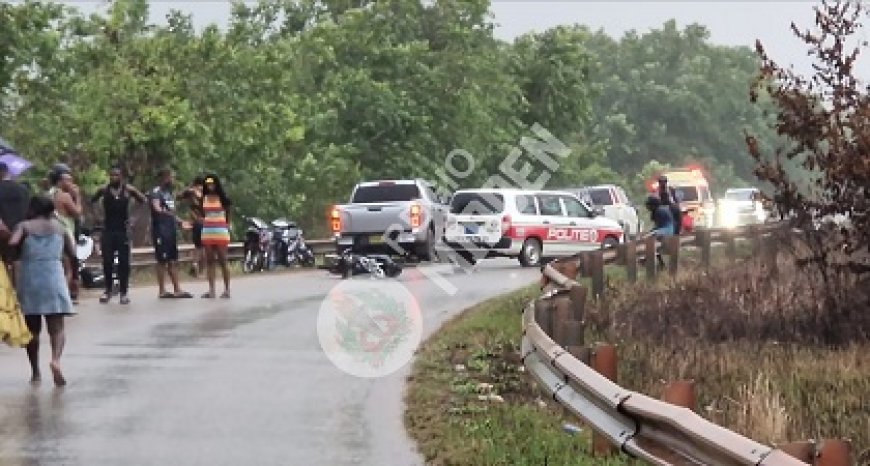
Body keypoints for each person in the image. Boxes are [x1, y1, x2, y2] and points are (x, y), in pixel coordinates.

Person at [10, 195, 76, 386]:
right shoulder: (60, 227)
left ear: (33, 208)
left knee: (33, 329)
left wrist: (16, 252)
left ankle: (35, 372)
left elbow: (13, 243)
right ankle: (55, 360)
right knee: (57, 328)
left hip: (31, 278)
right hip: (54, 277)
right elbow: (72, 253)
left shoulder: (24, 226)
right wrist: (72, 276)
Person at [91, 165, 147, 304]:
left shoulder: (129, 190)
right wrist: (97, 216)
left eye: (116, 175)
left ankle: (123, 292)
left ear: (122, 177)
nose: (113, 178)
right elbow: (92, 202)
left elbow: (143, 201)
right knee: (107, 261)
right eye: (111, 175)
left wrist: (134, 218)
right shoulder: (104, 190)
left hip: (123, 229)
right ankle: (108, 290)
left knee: (124, 262)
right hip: (108, 229)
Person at [150, 168, 192, 299]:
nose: (172, 180)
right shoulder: (156, 192)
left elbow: (172, 213)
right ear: (164, 177)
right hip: (160, 230)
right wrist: (166, 213)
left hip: (171, 230)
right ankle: (162, 290)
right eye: (171, 177)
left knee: (173, 260)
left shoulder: (169, 194)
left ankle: (177, 289)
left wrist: (181, 222)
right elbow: (156, 208)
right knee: (162, 260)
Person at [48, 166, 82, 304]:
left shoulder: (48, 194)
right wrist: (78, 197)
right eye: (68, 180)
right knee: (68, 265)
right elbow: (77, 213)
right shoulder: (65, 196)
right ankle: (64, 296)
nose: (72, 183)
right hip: (65, 232)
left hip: (51, 231)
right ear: (61, 181)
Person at [199, 174, 232, 298]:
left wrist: (228, 224)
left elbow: (228, 211)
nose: (210, 186)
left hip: (220, 231)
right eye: (208, 184)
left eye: (212, 184)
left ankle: (227, 289)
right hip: (207, 231)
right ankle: (211, 289)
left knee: (223, 260)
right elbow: (202, 213)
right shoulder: (204, 198)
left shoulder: (222, 198)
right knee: (210, 261)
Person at [0, 162, 31, 283]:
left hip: (2, 233)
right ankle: (19, 294)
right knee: (18, 261)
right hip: (22, 232)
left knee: (3, 264)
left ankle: (7, 296)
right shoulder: (23, 190)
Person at [180, 175, 205, 278]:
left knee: (198, 246)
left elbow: (179, 196)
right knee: (203, 247)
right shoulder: (203, 193)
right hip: (204, 221)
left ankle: (195, 265)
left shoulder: (190, 192)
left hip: (196, 222)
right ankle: (200, 271)